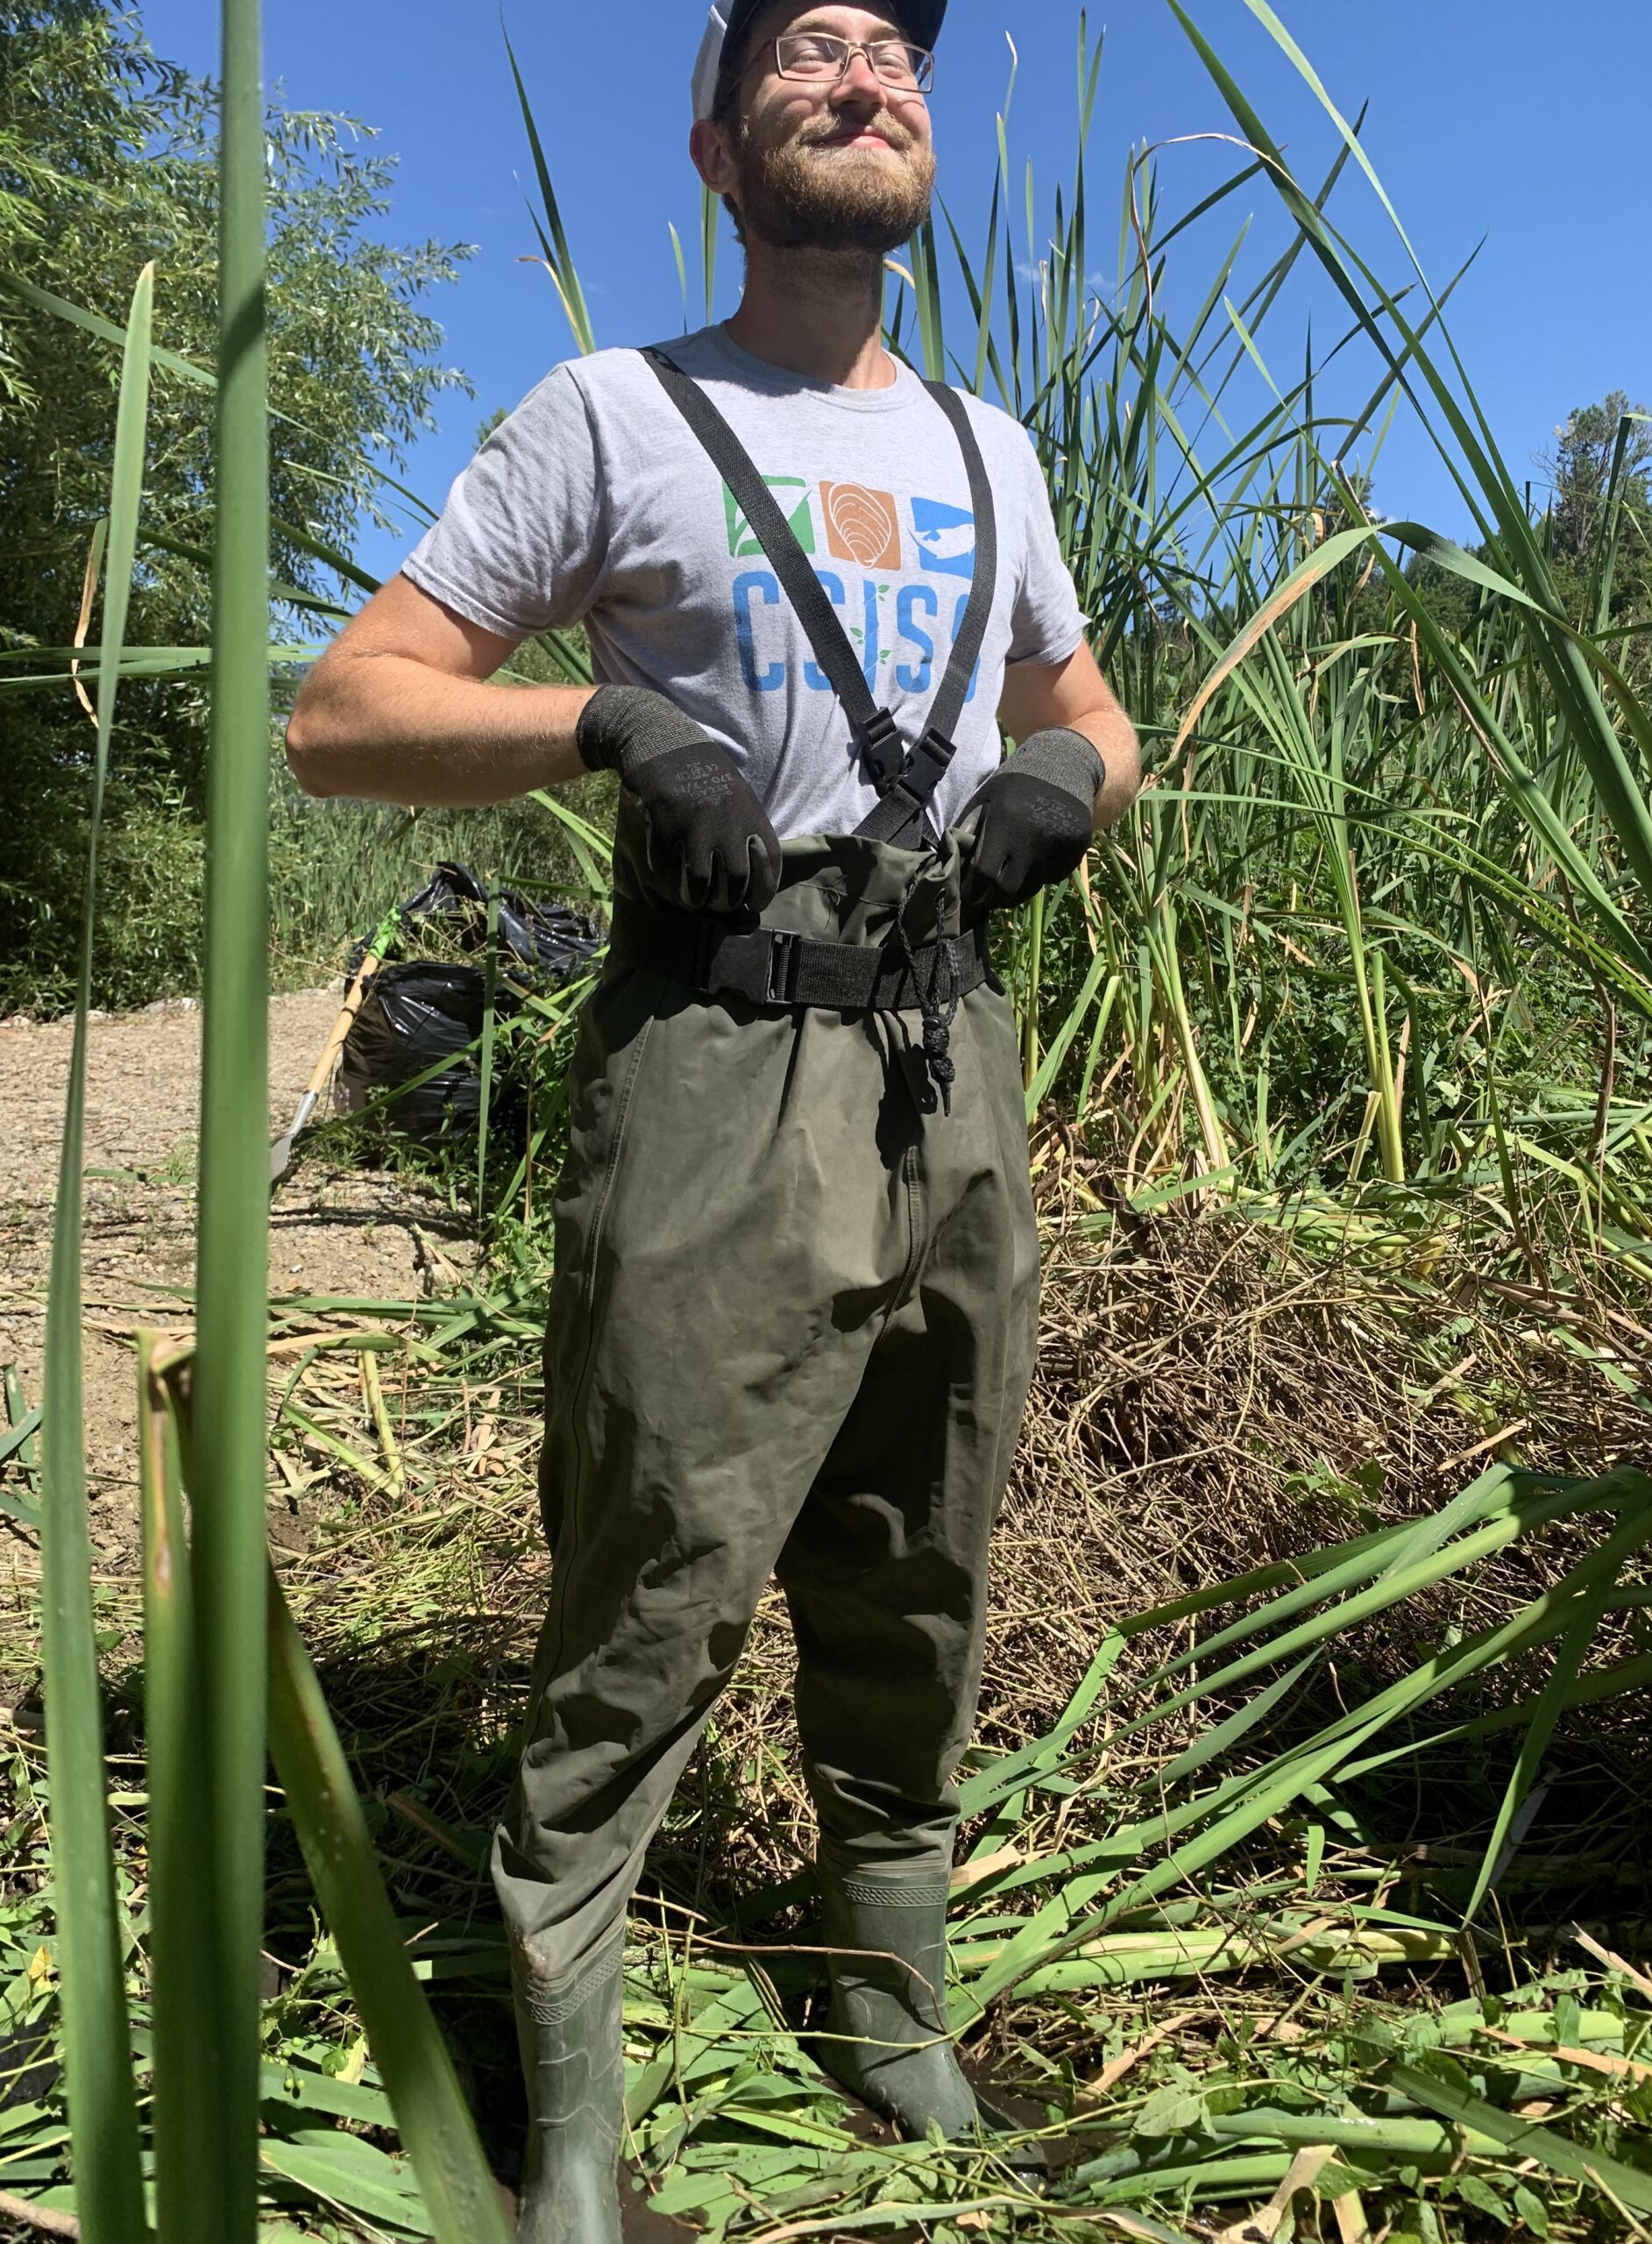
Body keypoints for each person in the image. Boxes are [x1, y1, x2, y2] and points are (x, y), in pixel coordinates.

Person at [287, 2, 1141, 2234]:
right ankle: (572, 2102)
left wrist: (1071, 779)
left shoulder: (995, 448)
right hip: (714, 1060)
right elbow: (341, 711)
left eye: (897, 55)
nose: (862, 75)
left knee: (919, 1553)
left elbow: (1100, 714)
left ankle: (885, 1987)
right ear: (719, 133)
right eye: (808, 49)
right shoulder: (612, 416)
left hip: (955, 1068)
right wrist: (600, 725)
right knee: (660, 1565)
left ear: (920, 133)